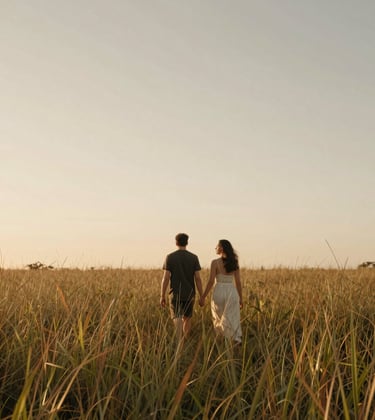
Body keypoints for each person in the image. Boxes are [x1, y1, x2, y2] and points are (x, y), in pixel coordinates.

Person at [160, 233, 203, 341]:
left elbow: (165, 278)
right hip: (189, 293)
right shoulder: (194, 257)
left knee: (177, 316)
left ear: (176, 242)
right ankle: (185, 339)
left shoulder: (170, 257)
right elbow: (198, 278)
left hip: (175, 294)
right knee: (187, 318)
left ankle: (179, 341)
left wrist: (162, 295)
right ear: (187, 242)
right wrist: (202, 295)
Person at [199, 239, 243, 344]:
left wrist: (203, 296)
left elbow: (210, 282)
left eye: (217, 246)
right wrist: (241, 298)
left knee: (218, 318)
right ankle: (234, 340)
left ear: (221, 248)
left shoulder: (215, 263)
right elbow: (238, 282)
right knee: (232, 318)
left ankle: (222, 341)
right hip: (232, 292)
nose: (215, 248)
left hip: (219, 291)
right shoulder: (234, 262)